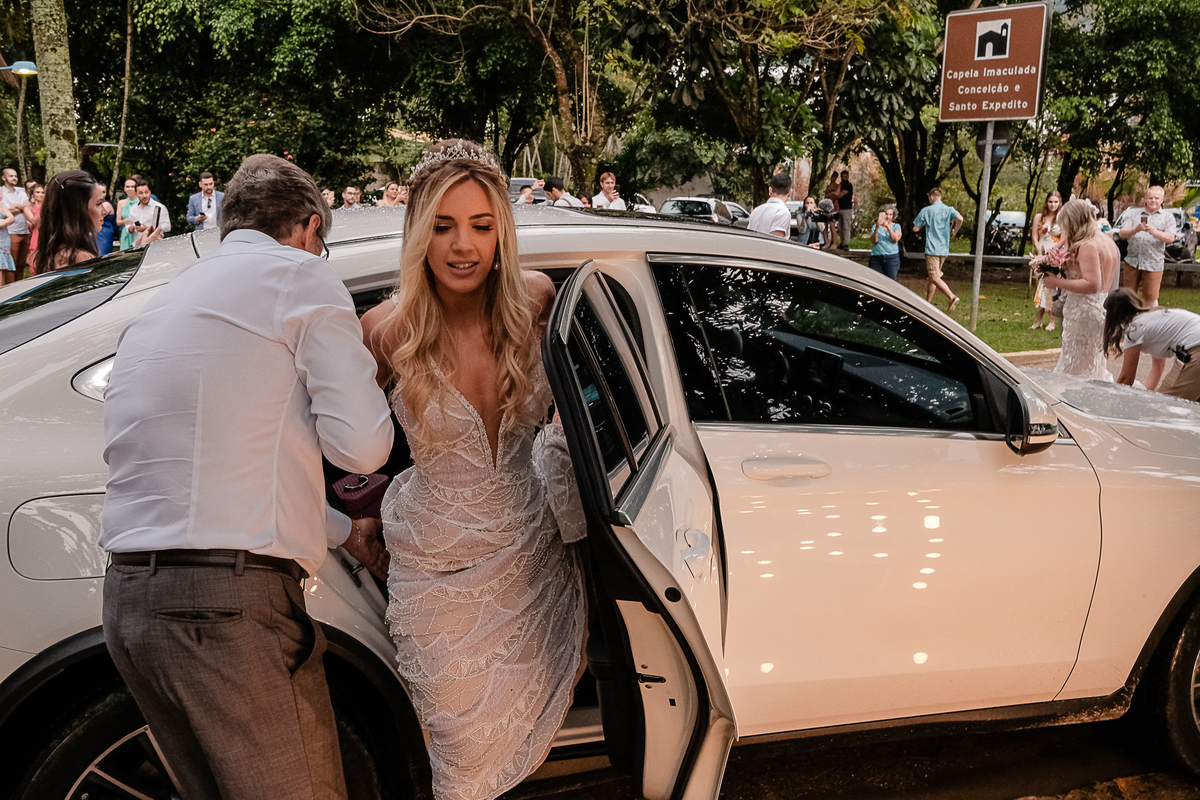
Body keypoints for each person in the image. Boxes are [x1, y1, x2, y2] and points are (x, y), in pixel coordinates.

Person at [100, 153, 394, 800]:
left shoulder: (169, 297)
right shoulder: (300, 275)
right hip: (225, 609)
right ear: (309, 227)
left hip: (129, 604)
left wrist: (344, 532)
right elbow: (363, 448)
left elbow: (230, 461)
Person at [359, 139, 587, 800]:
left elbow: (574, 402)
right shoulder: (386, 330)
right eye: (443, 226)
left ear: (501, 233)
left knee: (518, 751)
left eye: (482, 226)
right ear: (418, 234)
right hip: (437, 580)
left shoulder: (536, 300)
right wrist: (350, 518)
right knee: (459, 763)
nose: (464, 246)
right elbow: (327, 441)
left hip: (532, 558)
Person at [1042, 198, 1120, 380]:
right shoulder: (1105, 240)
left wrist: (1056, 282)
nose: (1064, 229)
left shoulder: (1087, 245)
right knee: (1091, 367)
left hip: (1083, 313)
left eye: (1065, 224)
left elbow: (1092, 284)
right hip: (1099, 308)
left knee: (1073, 371)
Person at [1104, 288, 1200, 401]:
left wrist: (1112, 402)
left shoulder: (1134, 329)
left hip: (1195, 351)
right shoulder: (1154, 317)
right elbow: (1159, 367)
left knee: (1165, 403)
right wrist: (1147, 398)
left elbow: (1126, 379)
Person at [32, 171, 111, 274]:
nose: (105, 211)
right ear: (78, 210)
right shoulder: (79, 258)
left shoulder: (55, 251)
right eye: (99, 203)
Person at [1117, 185, 1175, 308]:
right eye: (1150, 197)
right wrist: (1135, 229)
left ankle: (1151, 318)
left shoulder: (1168, 217)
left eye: (1156, 198)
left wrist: (1154, 232)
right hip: (1132, 261)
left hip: (1153, 263)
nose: (1153, 200)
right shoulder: (1133, 213)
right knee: (1128, 295)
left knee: (1151, 297)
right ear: (1146, 198)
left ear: (1162, 199)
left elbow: (1170, 237)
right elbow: (1122, 233)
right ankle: (1129, 318)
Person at [912, 187, 963, 312]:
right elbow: (960, 219)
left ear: (931, 197)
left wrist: (922, 225)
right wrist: (954, 231)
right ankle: (927, 303)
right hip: (944, 249)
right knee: (933, 277)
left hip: (932, 249)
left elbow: (915, 228)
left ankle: (951, 296)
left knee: (934, 277)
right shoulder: (949, 209)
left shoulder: (926, 210)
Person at [1030, 191, 1062, 331]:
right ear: (1046, 202)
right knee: (1041, 287)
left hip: (1056, 254)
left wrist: (1055, 254)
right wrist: (1040, 253)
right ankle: (1039, 319)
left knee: (1052, 288)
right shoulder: (1039, 217)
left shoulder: (1062, 218)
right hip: (1042, 253)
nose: (1053, 205)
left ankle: (1051, 320)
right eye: (1050, 202)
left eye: (1055, 202)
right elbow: (1035, 237)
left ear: (1059, 202)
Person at [2, 168, 31, 280]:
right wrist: (23, 207)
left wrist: (14, 206)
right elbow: (6, 210)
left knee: (22, 264)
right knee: (12, 263)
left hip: (25, 231)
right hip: (11, 231)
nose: (14, 178)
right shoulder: (2, 192)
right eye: (11, 176)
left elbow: (29, 205)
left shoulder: (21, 191)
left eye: (15, 176)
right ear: (4, 178)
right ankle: (11, 286)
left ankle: (20, 284)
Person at [746, 173, 792, 238]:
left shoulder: (756, 210)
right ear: (789, 193)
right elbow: (776, 241)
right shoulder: (783, 213)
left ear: (770, 190)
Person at [868, 205, 903, 280]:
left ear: (893, 216)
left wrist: (888, 228)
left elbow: (894, 239)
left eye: (890, 214)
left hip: (892, 258)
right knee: (874, 280)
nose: (888, 216)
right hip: (876, 258)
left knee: (890, 281)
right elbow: (874, 241)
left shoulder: (896, 226)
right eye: (886, 214)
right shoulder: (875, 226)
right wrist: (877, 227)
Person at [22, 183, 43, 268]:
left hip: (48, 233)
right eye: (37, 192)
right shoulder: (28, 208)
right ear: (32, 195)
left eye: (42, 192)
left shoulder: (50, 206)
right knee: (35, 263)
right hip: (36, 234)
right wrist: (43, 209)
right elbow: (33, 221)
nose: (40, 194)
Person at [116, 177, 139, 250]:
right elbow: (118, 221)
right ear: (124, 189)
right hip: (126, 233)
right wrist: (124, 221)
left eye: (132, 186)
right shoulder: (121, 203)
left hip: (138, 233)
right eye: (127, 187)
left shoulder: (141, 201)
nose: (130, 189)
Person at [823, 174, 844, 249]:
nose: (833, 178)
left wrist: (830, 193)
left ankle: (834, 243)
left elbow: (837, 195)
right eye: (832, 177)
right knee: (825, 225)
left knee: (832, 225)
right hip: (827, 206)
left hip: (834, 207)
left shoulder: (838, 186)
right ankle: (827, 242)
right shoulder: (828, 186)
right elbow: (826, 196)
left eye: (835, 177)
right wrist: (831, 193)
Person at [0, 197, 15, 285]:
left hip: (5, 242)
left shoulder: (1, 204)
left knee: (6, 271)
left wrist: (3, 223)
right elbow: (9, 219)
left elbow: (12, 218)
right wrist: (7, 221)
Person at [838, 170, 854, 247]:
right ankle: (842, 242)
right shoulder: (839, 185)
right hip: (839, 207)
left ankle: (846, 243)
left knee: (846, 226)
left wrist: (831, 194)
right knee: (840, 227)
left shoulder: (848, 185)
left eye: (845, 176)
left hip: (847, 208)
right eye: (842, 177)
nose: (844, 178)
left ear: (848, 176)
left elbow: (840, 195)